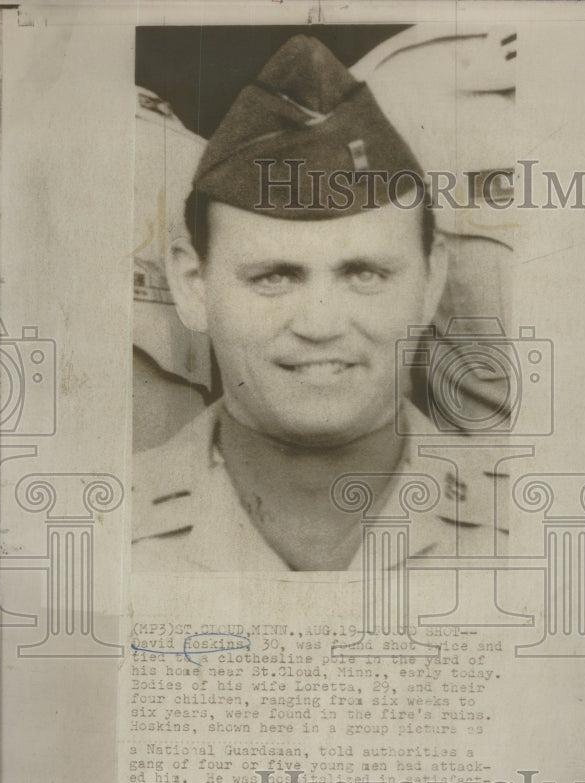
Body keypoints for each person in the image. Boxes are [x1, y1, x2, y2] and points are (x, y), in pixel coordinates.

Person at [132, 34, 503, 572]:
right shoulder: (91, 535)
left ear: (430, 281)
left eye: (364, 274)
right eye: (275, 277)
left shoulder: (539, 530)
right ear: (193, 285)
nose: (321, 324)